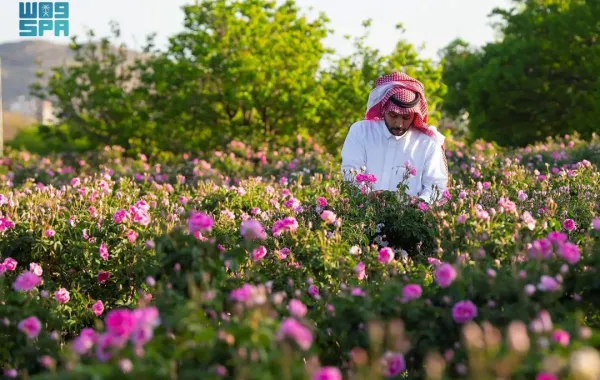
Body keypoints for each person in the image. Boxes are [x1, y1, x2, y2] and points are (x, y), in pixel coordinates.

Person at [341, 72, 449, 204]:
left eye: (406, 117)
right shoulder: (361, 131)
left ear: (414, 115)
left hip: (408, 220)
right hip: (363, 214)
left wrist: (418, 202)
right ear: (384, 109)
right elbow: (350, 171)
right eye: (393, 115)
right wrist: (368, 196)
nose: (399, 124)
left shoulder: (428, 143)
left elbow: (436, 185)